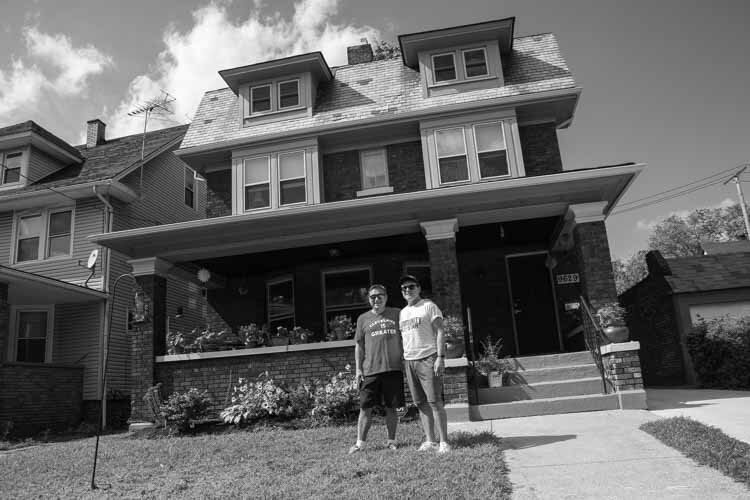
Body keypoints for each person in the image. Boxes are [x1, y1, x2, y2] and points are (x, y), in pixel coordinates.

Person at [348, 284, 404, 454]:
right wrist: (358, 370)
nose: (376, 299)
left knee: (391, 407)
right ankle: (360, 443)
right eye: (373, 297)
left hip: (392, 368)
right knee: (365, 408)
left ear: (386, 297)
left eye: (380, 296)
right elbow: (359, 346)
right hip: (370, 370)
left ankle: (392, 441)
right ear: (369, 300)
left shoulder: (397, 314)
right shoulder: (363, 319)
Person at [398, 274, 450, 454]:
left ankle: (444, 442)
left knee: (434, 401)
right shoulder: (403, 313)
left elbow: (441, 331)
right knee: (420, 403)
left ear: (419, 288)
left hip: (428, 358)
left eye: (411, 287)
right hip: (410, 361)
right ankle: (431, 440)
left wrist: (440, 357)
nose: (407, 290)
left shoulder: (428, 306)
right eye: (404, 288)